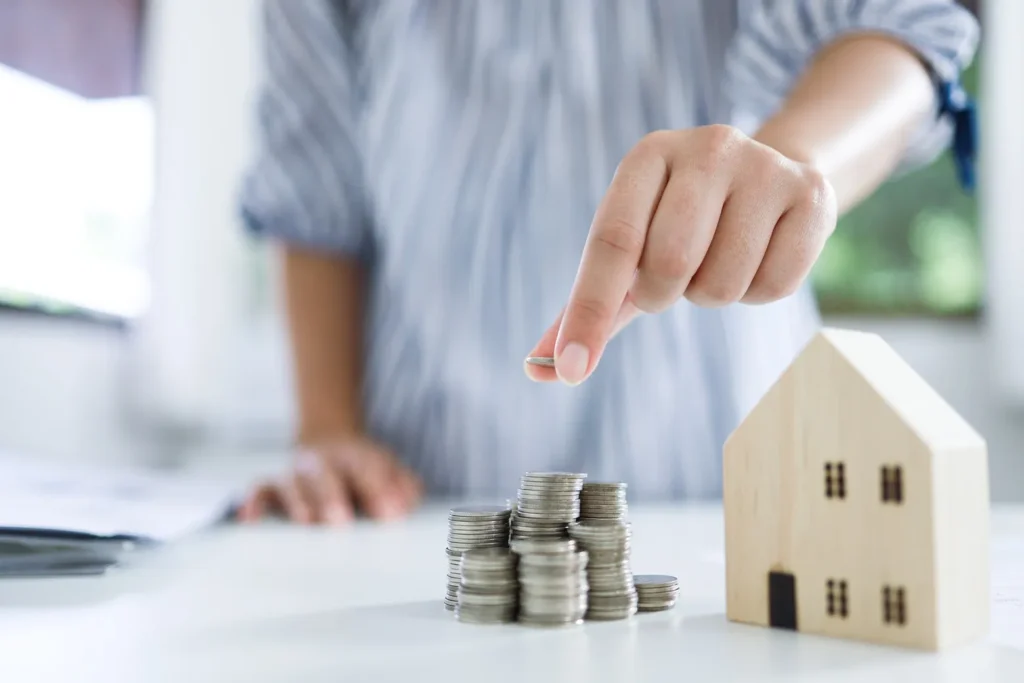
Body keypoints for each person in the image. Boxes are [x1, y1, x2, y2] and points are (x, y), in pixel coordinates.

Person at [235, 0, 979, 525]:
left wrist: (793, 166)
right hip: (413, 496)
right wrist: (327, 427)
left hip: (731, 476)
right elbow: (316, 186)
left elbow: (891, 29)